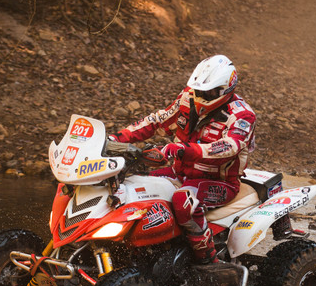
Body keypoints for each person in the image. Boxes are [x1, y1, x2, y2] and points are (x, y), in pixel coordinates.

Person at [109, 55, 257, 264]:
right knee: (135, 187)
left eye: (209, 92)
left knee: (183, 201)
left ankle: (207, 261)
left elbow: (229, 148)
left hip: (220, 182)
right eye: (199, 90)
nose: (202, 96)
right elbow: (158, 120)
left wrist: (179, 149)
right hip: (181, 172)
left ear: (226, 87)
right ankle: (144, 252)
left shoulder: (242, 115)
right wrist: (115, 139)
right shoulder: (188, 97)